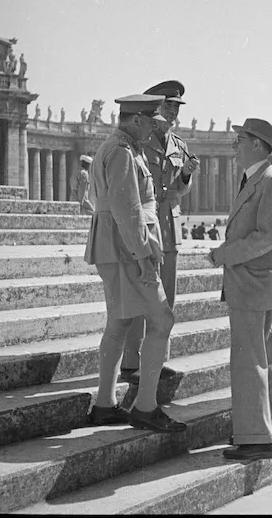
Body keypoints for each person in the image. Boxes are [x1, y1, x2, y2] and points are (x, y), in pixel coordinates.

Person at [84, 93, 186, 433]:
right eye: (151, 119)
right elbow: (128, 212)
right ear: (137, 120)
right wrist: (144, 257)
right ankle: (145, 407)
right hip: (128, 252)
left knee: (119, 324)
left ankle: (104, 404)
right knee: (162, 320)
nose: (156, 125)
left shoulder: (117, 149)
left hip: (115, 249)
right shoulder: (123, 154)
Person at [207, 118, 272, 461]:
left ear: (257, 145)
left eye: (239, 139)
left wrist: (223, 254)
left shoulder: (270, 182)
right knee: (260, 356)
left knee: (248, 359)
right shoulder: (258, 179)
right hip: (254, 282)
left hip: (253, 282)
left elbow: (266, 236)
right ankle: (267, 425)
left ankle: (256, 438)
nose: (234, 145)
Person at [120, 80, 200, 383]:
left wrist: (187, 176)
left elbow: (178, 190)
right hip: (147, 228)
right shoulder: (141, 140)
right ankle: (132, 361)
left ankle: (157, 359)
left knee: (167, 299)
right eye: (168, 105)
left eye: (176, 107)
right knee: (142, 297)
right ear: (155, 107)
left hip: (170, 229)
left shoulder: (179, 145)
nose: (172, 112)